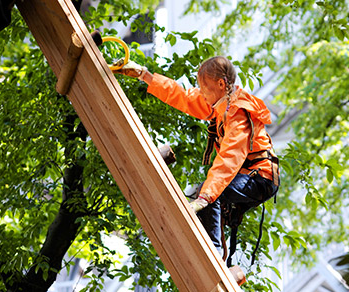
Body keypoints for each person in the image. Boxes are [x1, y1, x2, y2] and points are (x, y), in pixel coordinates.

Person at [114, 56, 279, 261]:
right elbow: (182, 96)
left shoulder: (237, 112)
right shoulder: (220, 104)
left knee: (207, 194)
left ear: (221, 84)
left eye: (205, 87)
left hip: (260, 179)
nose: (202, 92)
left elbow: (229, 159)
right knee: (201, 200)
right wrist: (144, 75)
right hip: (247, 176)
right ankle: (210, 246)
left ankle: (215, 253)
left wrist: (206, 196)